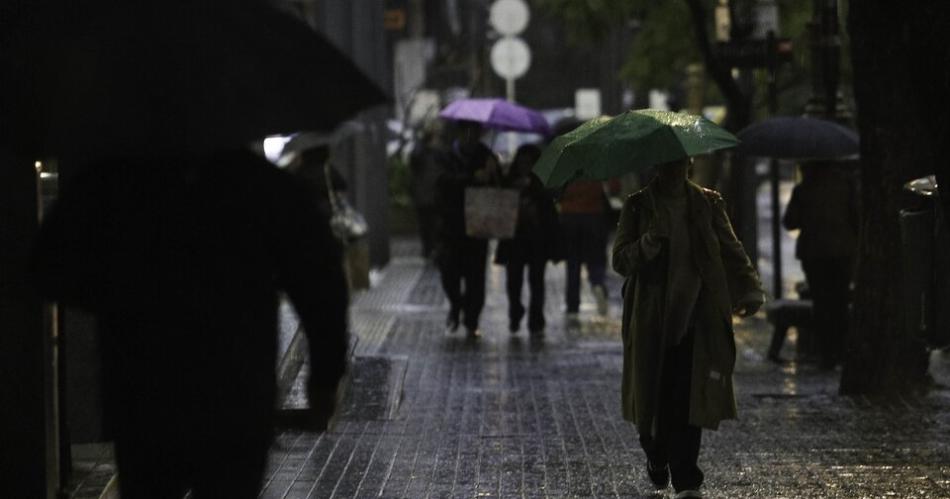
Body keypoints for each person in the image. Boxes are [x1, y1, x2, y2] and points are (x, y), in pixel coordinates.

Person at [30, 149, 349, 499]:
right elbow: (321, 282)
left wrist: (115, 297)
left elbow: (46, 267)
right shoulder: (260, 185)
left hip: (143, 391)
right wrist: (325, 377)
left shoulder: (114, 181)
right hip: (235, 393)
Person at [612, 158, 764, 498]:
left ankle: (686, 478)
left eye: (680, 161)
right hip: (651, 320)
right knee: (652, 403)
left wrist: (749, 289)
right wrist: (649, 242)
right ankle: (655, 455)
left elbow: (731, 249)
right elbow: (620, 259)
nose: (674, 169)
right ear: (657, 166)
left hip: (698, 316)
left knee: (688, 398)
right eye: (667, 162)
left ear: (688, 164)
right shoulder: (638, 206)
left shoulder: (708, 203)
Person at [782, 163, 859, 369]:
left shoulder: (803, 189)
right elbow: (857, 217)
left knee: (821, 303)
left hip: (814, 254)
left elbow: (789, 221)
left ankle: (827, 355)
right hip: (842, 252)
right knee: (840, 302)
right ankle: (842, 351)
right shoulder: (846, 186)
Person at [434, 120, 499, 337]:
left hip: (478, 226)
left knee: (475, 277)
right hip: (451, 225)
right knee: (449, 273)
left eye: (476, 132)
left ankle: (471, 320)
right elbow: (441, 183)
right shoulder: (447, 156)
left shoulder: (486, 156)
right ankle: (456, 304)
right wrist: (471, 178)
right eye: (467, 131)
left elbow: (499, 188)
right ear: (460, 132)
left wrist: (493, 174)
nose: (471, 136)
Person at [494, 144, 559, 335]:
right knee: (514, 281)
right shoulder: (509, 180)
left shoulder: (541, 182)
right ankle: (516, 312)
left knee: (536, 281)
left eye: (529, 163)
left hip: (537, 239)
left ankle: (536, 320)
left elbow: (550, 206)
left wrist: (533, 191)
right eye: (522, 162)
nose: (525, 166)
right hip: (514, 240)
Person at [559, 178, 611, 315]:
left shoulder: (566, 166)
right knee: (595, 258)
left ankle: (572, 304)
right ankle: (597, 283)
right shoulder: (596, 164)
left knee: (573, 263)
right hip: (594, 216)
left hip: (569, 216)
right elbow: (614, 187)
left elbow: (556, 191)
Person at [408, 128, 444, 260]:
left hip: (424, 196)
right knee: (430, 223)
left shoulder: (420, 153)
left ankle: (429, 248)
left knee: (426, 224)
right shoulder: (432, 154)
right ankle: (430, 248)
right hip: (429, 195)